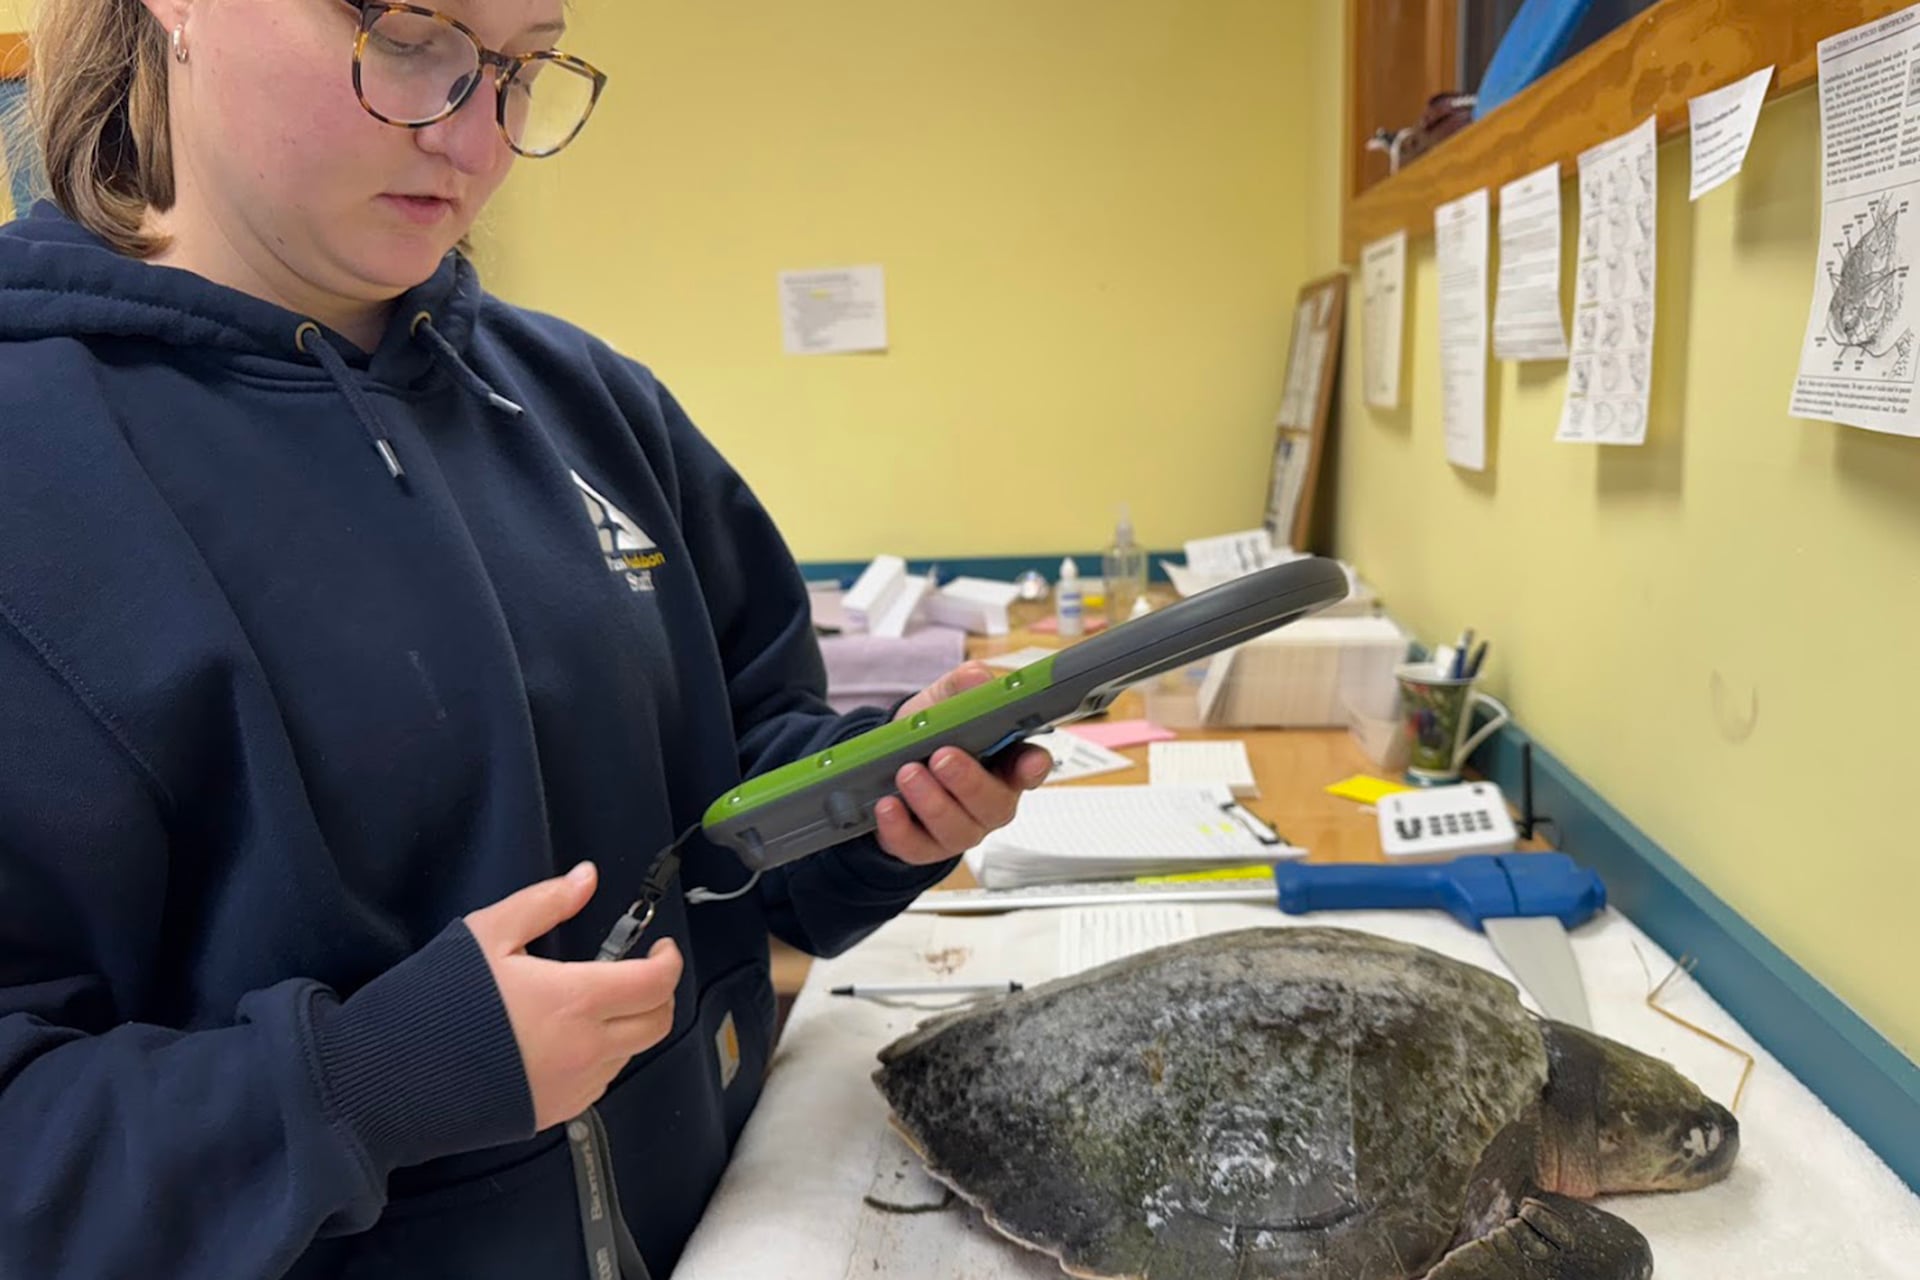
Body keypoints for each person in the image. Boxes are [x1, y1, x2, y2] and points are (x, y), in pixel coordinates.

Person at [0, 1, 1053, 1276]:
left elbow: (734, 836)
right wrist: (369, 1085)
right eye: (406, 34)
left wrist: (873, 812)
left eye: (521, 67)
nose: (475, 137)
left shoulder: (586, 403)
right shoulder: (33, 466)